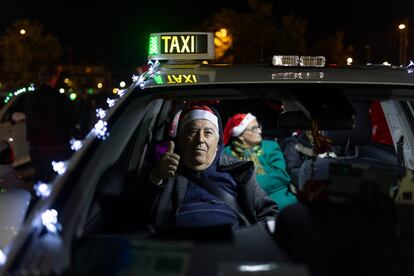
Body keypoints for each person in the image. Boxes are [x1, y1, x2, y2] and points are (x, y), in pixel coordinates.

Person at [146, 105, 278, 228]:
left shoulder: (238, 171)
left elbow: (268, 212)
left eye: (208, 132)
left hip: (233, 247)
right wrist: (155, 177)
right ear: (180, 139)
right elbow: (135, 214)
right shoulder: (165, 170)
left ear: (217, 141)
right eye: (192, 131)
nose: (200, 139)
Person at [223, 113, 297, 210]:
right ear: (240, 135)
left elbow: (282, 176)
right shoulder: (228, 153)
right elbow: (233, 183)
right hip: (251, 207)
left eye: (259, 126)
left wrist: (250, 186)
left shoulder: (270, 146)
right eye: (254, 128)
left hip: (283, 201)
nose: (260, 131)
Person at [24, 64, 79, 182]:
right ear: (54, 77)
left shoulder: (30, 98)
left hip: (36, 147)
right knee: (58, 182)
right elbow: (73, 119)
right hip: (58, 147)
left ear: (40, 78)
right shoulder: (60, 98)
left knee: (41, 180)